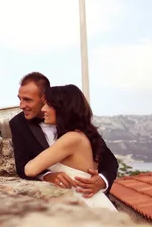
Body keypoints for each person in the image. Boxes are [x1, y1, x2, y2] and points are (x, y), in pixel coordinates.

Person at [9, 72, 118, 200]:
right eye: (19, 98)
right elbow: (22, 166)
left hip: (84, 198)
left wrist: (102, 181)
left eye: (27, 99)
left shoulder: (76, 131)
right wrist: (47, 176)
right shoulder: (18, 124)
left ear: (44, 98)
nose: (21, 105)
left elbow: (110, 161)